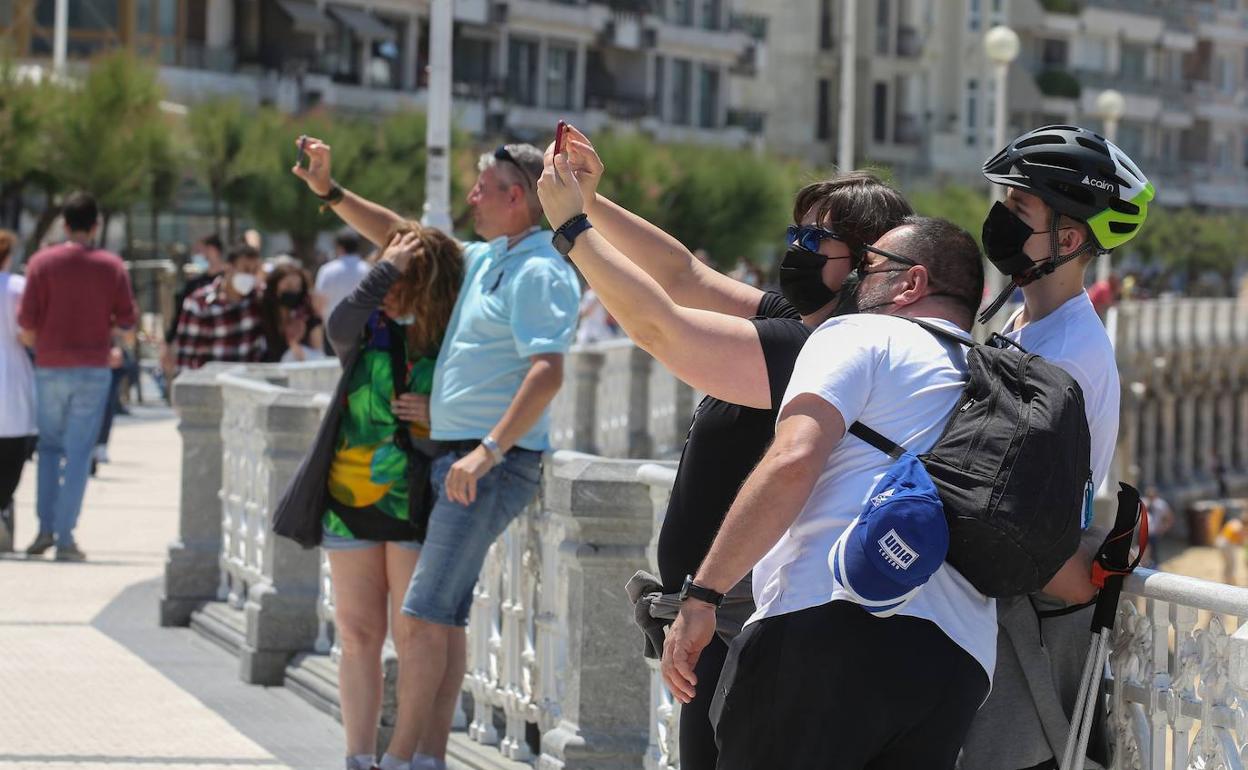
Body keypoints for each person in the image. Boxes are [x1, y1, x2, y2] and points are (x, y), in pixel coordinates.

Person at [536, 125, 913, 769]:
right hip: (720, 624)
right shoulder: (794, 326)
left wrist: (574, 232)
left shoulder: (812, 354)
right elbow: (682, 275)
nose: (797, 249)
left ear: (865, 264)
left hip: (744, 624)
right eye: (797, 233)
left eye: (816, 239)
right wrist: (592, 201)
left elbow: (664, 327)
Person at [292, 136, 580, 770]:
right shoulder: (490, 258)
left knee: (421, 617)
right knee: (441, 618)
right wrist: (330, 193)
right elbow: (405, 235)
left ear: (516, 198)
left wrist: (486, 449)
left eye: (482, 188)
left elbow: (547, 373)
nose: (470, 197)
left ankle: (400, 760)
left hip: (488, 464)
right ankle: (425, 759)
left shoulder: (539, 268)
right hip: (452, 458)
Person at [660, 217, 988, 769]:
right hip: (957, 662)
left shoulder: (858, 334)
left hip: (827, 627)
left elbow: (793, 460)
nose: (855, 281)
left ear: (911, 285)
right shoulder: (989, 377)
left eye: (870, 267)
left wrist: (703, 597)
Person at [959, 125, 1155, 770]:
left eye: (1019, 210)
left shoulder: (1068, 352)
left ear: (1067, 240)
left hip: (1022, 634)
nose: (999, 219)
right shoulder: (1024, 318)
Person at [276, 225, 464, 770]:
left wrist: (437, 419)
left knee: (415, 636)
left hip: (415, 505)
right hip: (348, 497)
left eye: (405, 271)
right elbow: (335, 323)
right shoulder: (366, 329)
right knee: (358, 634)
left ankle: (411, 755)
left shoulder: (451, 338)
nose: (393, 280)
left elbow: (475, 414)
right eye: (389, 267)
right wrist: (383, 269)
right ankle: (359, 757)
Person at [17, 192, 138, 561]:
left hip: (50, 365)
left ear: (64, 224)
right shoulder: (111, 266)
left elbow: (26, 326)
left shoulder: (41, 263)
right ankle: (66, 536)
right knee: (80, 451)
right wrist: (117, 347)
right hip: (93, 367)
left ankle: (44, 528)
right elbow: (128, 324)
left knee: (49, 449)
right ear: (95, 226)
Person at [170, 243, 267, 372]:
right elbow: (185, 356)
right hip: (211, 385)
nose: (250, 276)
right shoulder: (198, 304)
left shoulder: (258, 300)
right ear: (228, 267)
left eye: (254, 271)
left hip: (248, 385)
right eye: (245, 270)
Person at [0, 229, 36, 552]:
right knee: (11, 454)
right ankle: (2, 507)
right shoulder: (16, 288)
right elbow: (28, 336)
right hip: (10, 376)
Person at [162, 234, 226, 381]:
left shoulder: (228, 283)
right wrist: (167, 344)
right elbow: (179, 316)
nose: (198, 255)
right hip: (199, 352)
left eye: (201, 250)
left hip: (223, 350)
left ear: (212, 250)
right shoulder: (195, 284)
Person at [315, 229, 371, 349]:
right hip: (362, 329)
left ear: (339, 247)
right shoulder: (367, 269)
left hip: (333, 329)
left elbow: (319, 302)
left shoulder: (327, 270)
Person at [259, 262, 325, 363]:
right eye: (288, 285)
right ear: (274, 287)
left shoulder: (310, 318)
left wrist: (293, 344)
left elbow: (318, 355)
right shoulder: (263, 314)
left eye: (297, 286)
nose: (293, 291)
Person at [1142, 486, 1173, 568]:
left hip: (1154, 532)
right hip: (1143, 531)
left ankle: (1155, 567)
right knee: (1143, 550)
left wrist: (1164, 528)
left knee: (1153, 551)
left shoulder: (1161, 505)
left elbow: (1169, 517)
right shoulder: (1143, 503)